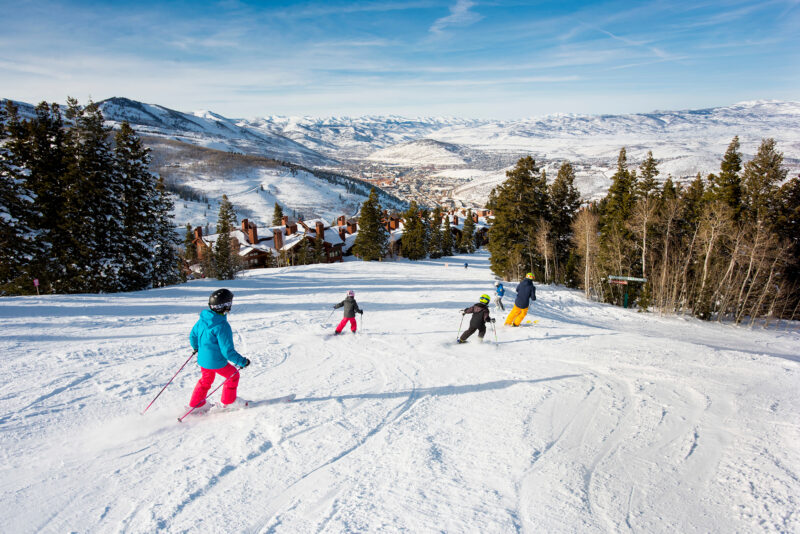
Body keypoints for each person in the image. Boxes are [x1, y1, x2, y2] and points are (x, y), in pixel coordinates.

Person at [188, 289, 250, 411]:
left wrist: (196, 347)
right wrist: (242, 361)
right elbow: (227, 351)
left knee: (206, 380)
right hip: (216, 362)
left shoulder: (203, 319)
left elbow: (193, 335)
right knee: (233, 376)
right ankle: (229, 402)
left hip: (203, 360)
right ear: (225, 306)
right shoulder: (222, 326)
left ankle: (196, 405)